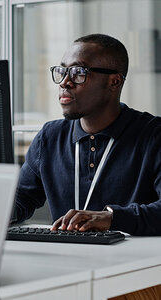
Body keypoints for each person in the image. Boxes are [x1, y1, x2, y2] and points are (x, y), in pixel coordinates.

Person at [14, 33, 161, 236]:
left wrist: (112, 218)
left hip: (134, 264)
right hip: (69, 260)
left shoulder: (154, 135)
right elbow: (21, 199)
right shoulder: (50, 137)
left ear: (114, 82)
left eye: (78, 72)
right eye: (62, 71)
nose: (65, 82)